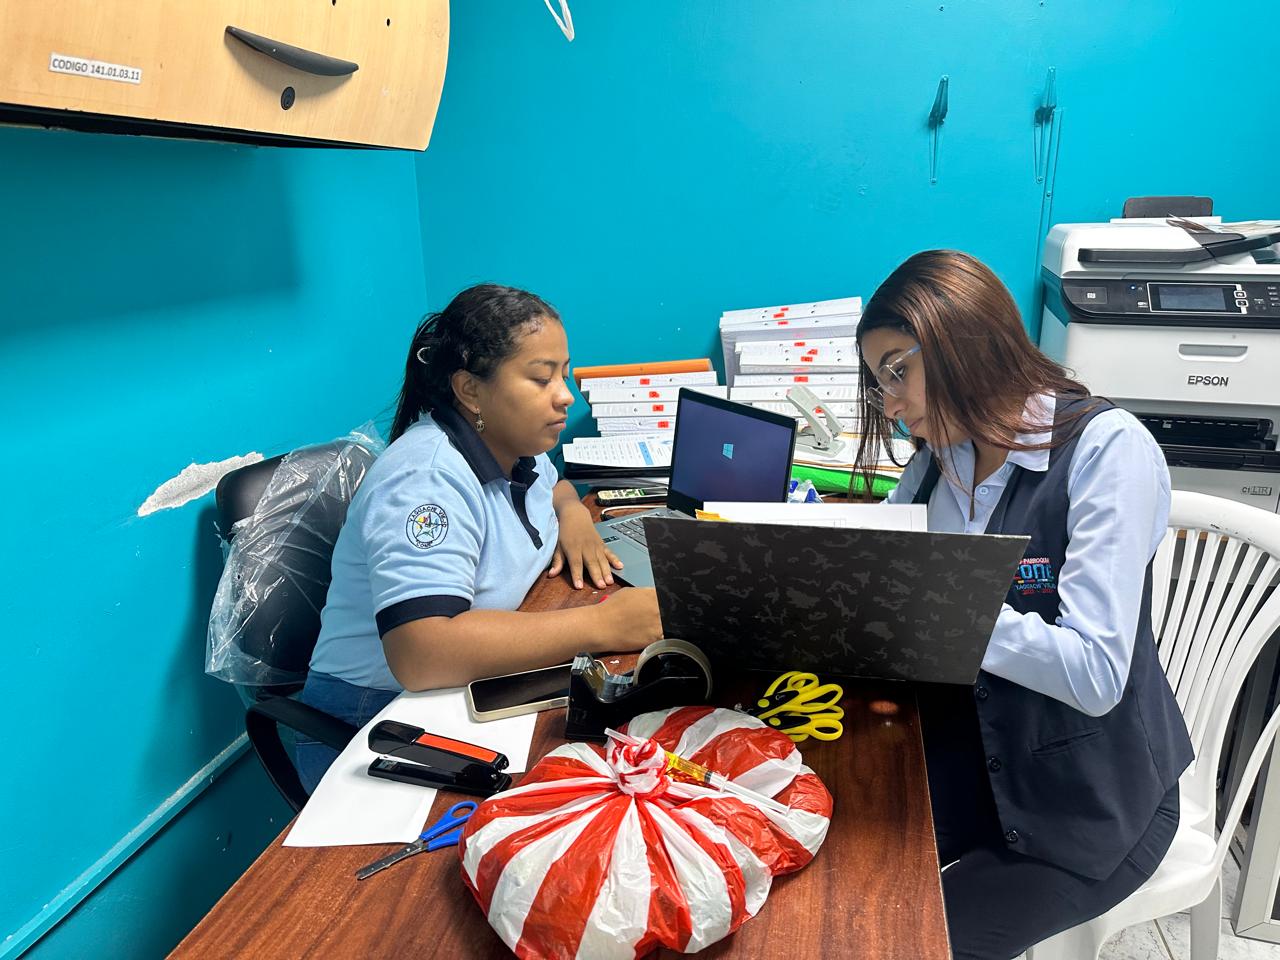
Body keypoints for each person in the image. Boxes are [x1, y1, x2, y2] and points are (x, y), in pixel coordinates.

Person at [853, 251, 1193, 959]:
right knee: (833, 869)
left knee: (906, 944)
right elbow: (883, 562)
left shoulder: (1105, 450)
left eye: (896, 372)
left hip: (1087, 805)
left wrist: (941, 602)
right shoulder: (940, 458)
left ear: (957, 342)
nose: (891, 404)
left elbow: (1096, 674)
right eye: (880, 382)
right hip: (975, 758)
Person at [296, 284, 662, 791]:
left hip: (464, 684)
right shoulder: (425, 479)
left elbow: (552, 485)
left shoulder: (516, 443)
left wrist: (574, 515)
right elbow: (422, 652)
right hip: (376, 720)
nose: (565, 395)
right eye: (541, 378)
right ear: (470, 391)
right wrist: (605, 624)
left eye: (563, 373)